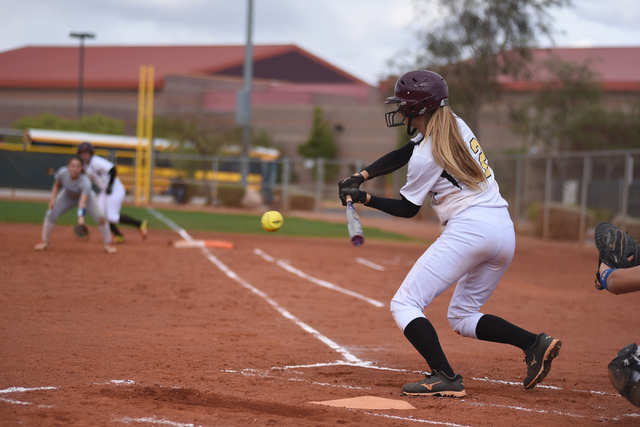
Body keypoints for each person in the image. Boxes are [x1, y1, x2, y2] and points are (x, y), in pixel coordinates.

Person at [338, 70, 561, 397]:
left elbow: (408, 209)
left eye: (404, 105)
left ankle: (445, 376)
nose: (400, 109)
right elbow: (405, 152)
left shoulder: (428, 156)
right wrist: (362, 175)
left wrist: (365, 199)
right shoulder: (452, 123)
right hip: (502, 231)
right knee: (462, 316)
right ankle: (534, 344)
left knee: (405, 303)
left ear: (418, 109)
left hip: (470, 231)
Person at [35, 156, 116, 254]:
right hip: (67, 196)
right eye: (72, 166)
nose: (75, 169)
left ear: (82, 168)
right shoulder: (62, 173)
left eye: (78, 166)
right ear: (68, 166)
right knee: (50, 214)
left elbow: (82, 204)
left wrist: (81, 222)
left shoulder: (85, 182)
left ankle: (108, 244)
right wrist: (53, 199)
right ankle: (44, 242)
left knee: (101, 217)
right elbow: (56, 185)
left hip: (87, 198)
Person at [77, 142, 148, 244]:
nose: (84, 155)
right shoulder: (85, 165)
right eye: (81, 153)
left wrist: (110, 186)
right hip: (105, 192)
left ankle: (140, 223)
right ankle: (118, 236)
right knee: (99, 215)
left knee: (112, 218)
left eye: (86, 152)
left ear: (91, 153)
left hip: (115, 190)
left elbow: (112, 169)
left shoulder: (95, 161)